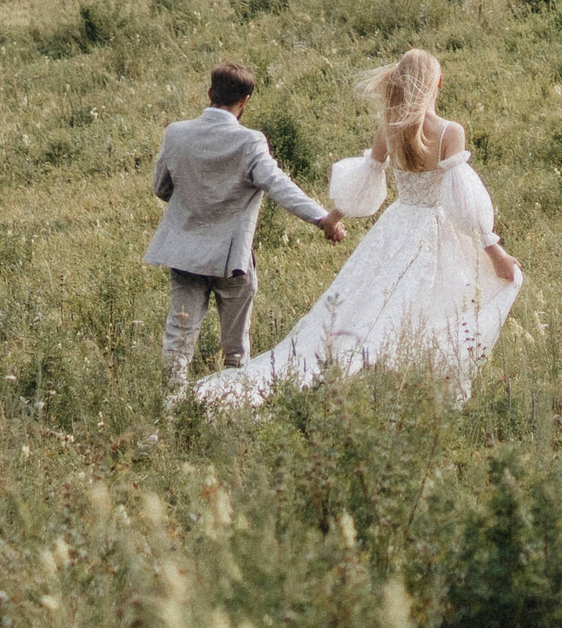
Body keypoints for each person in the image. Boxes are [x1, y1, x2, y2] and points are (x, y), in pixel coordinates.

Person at [194, 48, 523, 410]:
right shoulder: (449, 132)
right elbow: (464, 204)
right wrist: (496, 252)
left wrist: (334, 217)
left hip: (397, 226)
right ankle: (417, 379)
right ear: (438, 83)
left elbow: (367, 183)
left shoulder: (389, 128)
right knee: (432, 304)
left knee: (374, 299)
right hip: (436, 228)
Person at [144, 62, 347, 400]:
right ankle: (232, 403)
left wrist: (190, 203)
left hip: (184, 252)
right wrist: (323, 219)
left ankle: (171, 405)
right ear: (246, 100)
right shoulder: (250, 141)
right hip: (231, 258)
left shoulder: (176, 132)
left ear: (210, 93)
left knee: (179, 337)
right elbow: (279, 186)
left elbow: (161, 187)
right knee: (234, 348)